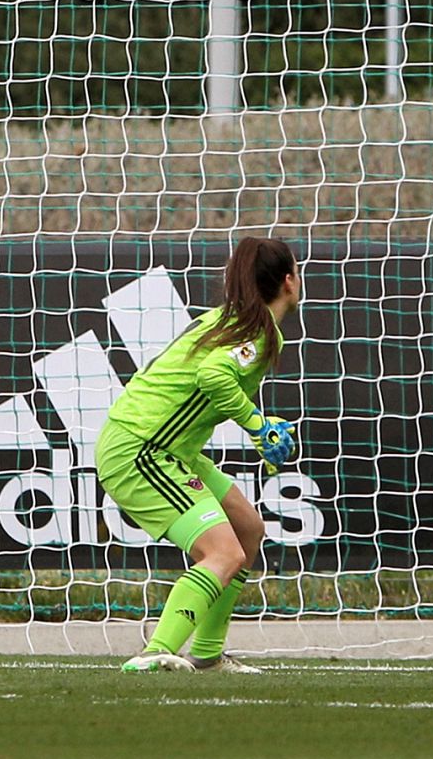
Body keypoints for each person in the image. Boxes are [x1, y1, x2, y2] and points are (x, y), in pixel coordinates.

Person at [95, 236, 302, 673]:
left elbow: (203, 389)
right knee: (223, 553)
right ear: (288, 281)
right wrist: (258, 424)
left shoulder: (233, 322)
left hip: (170, 447)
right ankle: (154, 652)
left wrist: (259, 433)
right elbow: (212, 376)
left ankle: (207, 653)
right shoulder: (256, 332)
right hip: (141, 447)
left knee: (248, 529)